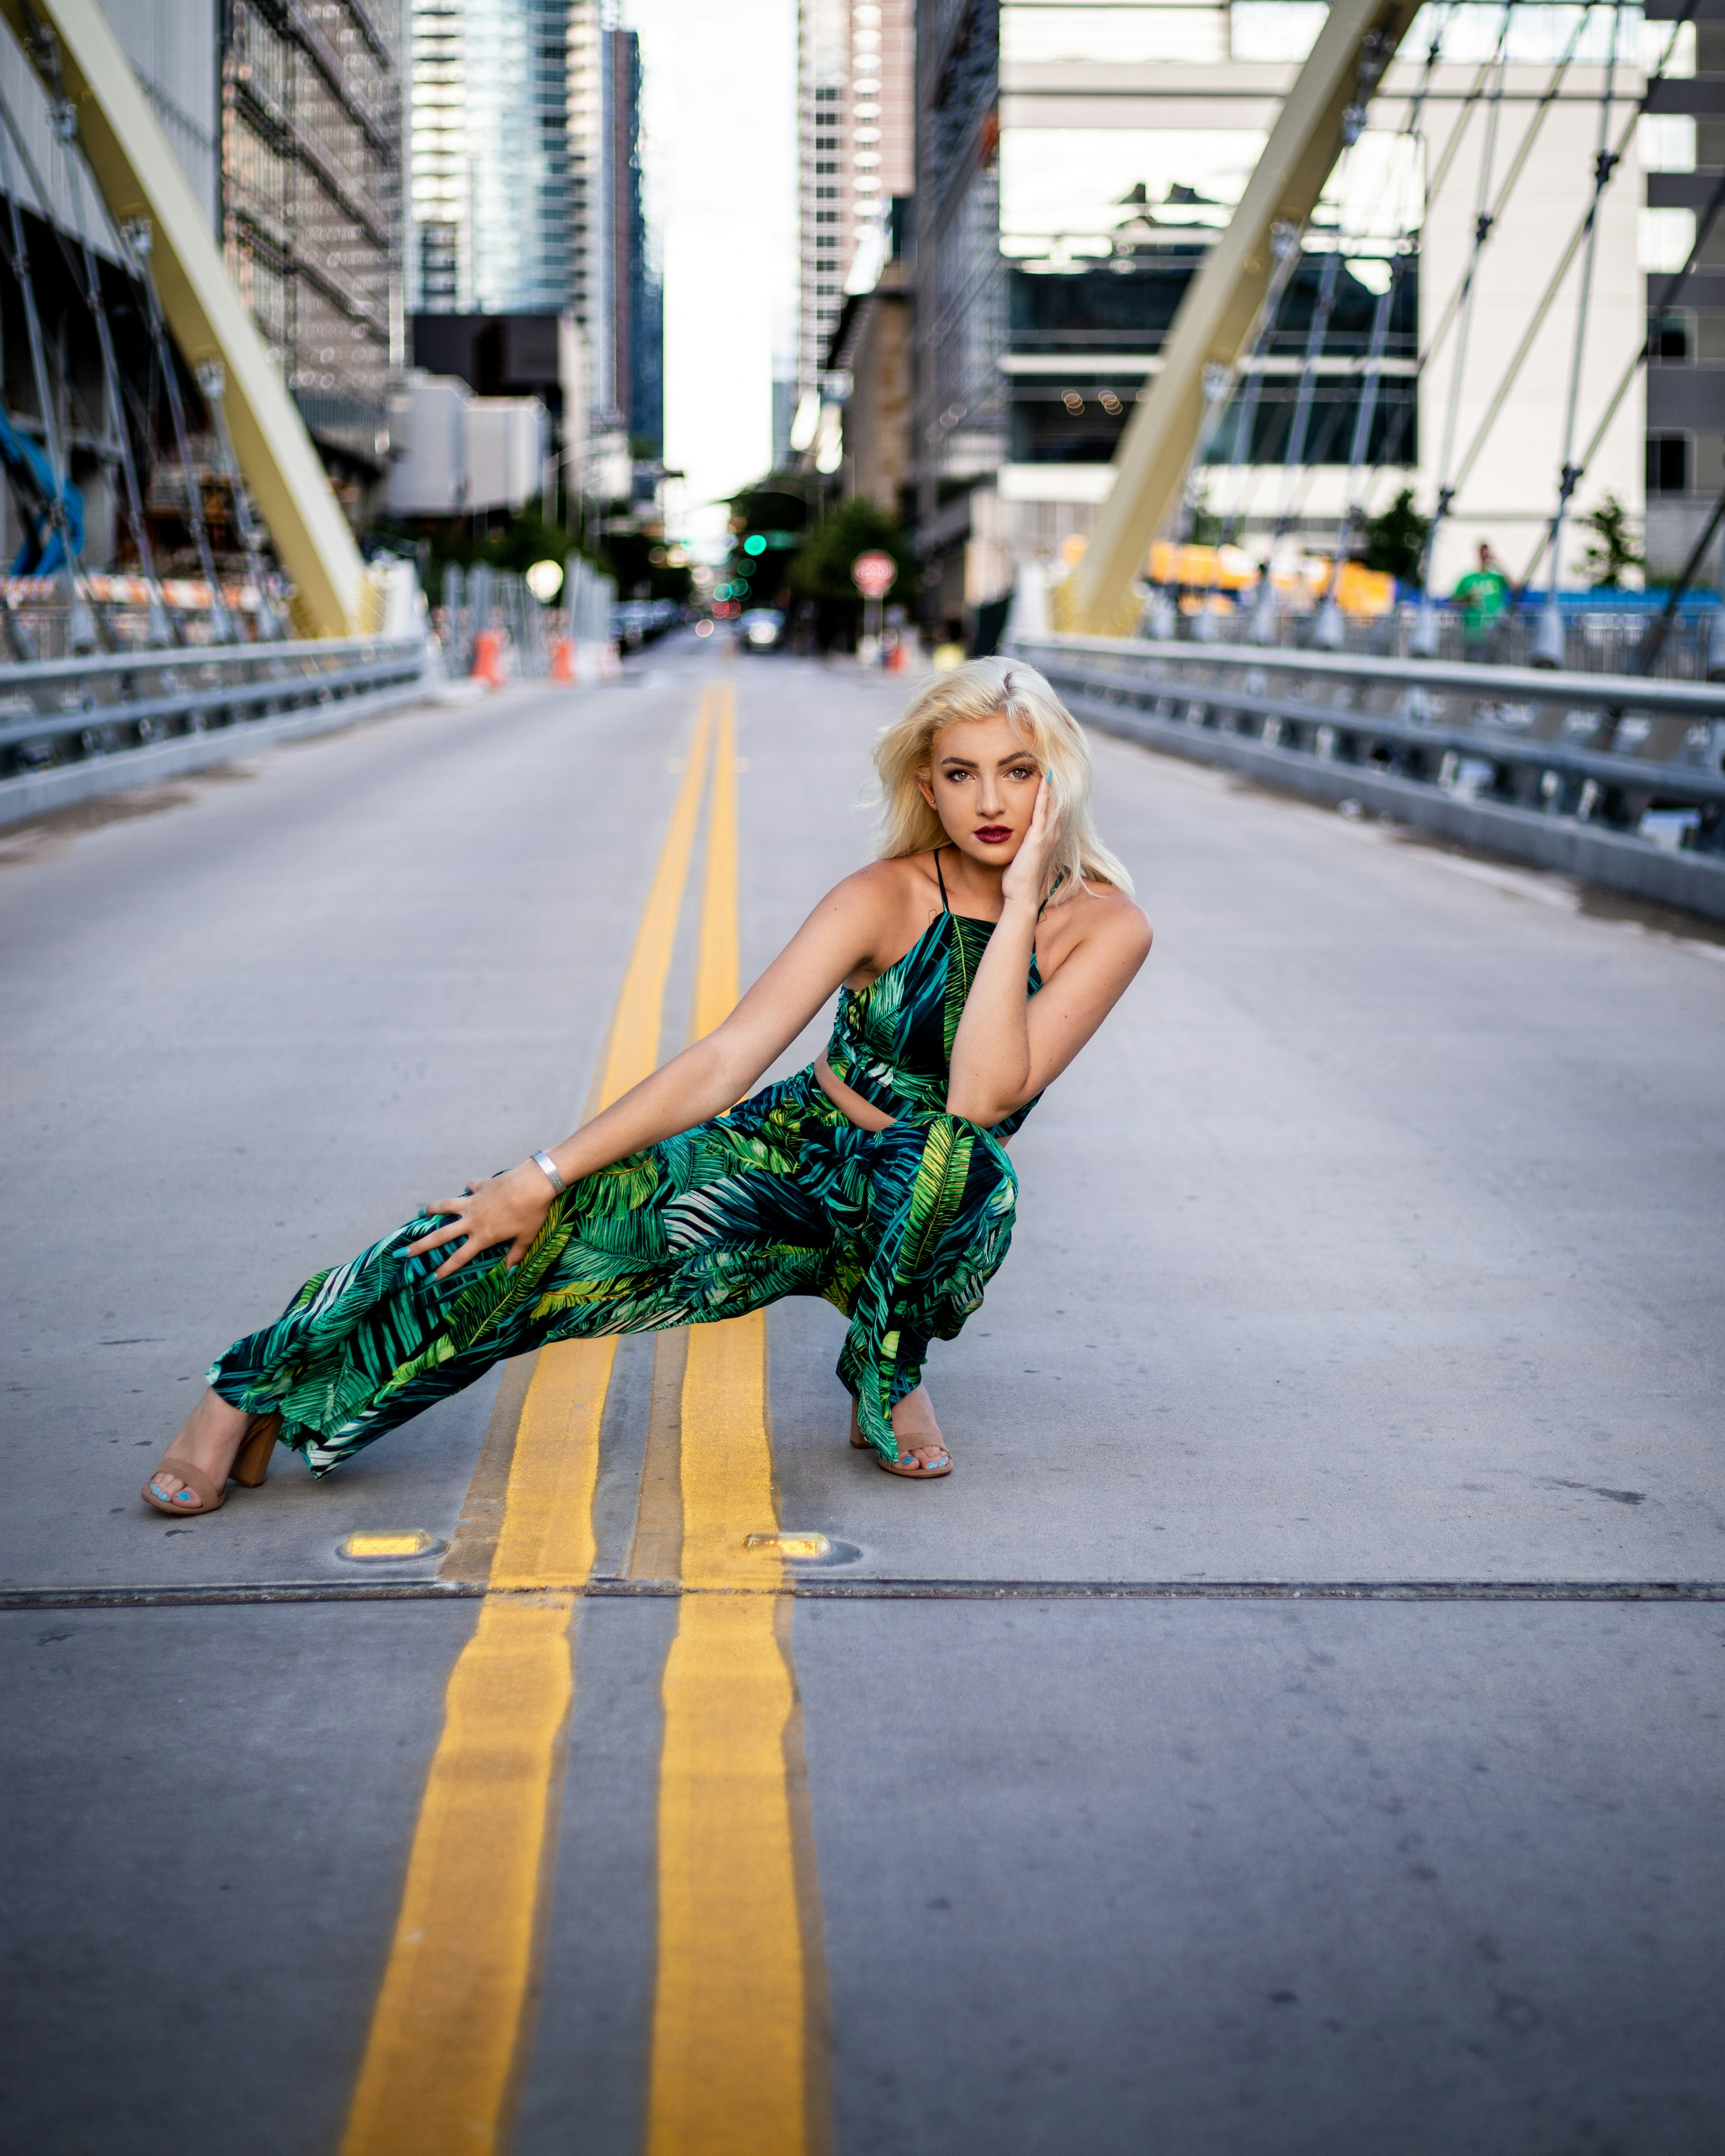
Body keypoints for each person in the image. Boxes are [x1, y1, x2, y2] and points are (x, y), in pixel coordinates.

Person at [143, 658, 1154, 1512]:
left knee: (960, 1162)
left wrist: (1019, 899)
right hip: (788, 1160)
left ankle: (886, 1371)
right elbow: (724, 1060)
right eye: (961, 775)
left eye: (1016, 774)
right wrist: (542, 1175)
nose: (989, 802)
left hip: (920, 1201)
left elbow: (979, 1097)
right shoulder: (879, 897)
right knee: (520, 1237)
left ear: (1052, 783)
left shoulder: (1104, 927)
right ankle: (249, 1389)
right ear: (925, 788)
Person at [1452, 541, 1509, 650]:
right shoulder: (1468, 578)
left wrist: (1500, 565)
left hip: (1494, 629)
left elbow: (1515, 588)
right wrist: (1467, 599)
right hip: (1472, 629)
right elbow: (1455, 600)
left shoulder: (1497, 578)